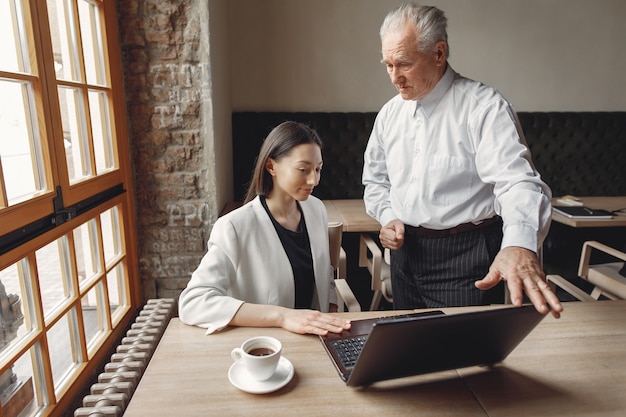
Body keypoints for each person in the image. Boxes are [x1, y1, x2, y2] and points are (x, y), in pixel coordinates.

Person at [362, 3, 563, 318]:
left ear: (439, 54)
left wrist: (520, 244)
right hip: (405, 256)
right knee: (409, 351)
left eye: (403, 63)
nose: (394, 78)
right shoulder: (390, 114)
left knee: (462, 358)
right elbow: (375, 181)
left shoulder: (484, 108)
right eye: (388, 65)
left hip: (466, 256)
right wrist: (388, 217)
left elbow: (518, 182)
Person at [179, 121, 352, 334]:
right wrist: (282, 316)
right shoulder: (234, 227)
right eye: (303, 169)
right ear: (271, 166)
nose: (313, 180)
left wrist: (331, 314)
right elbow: (193, 302)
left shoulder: (316, 209)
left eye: (318, 169)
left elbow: (324, 272)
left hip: (316, 339)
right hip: (265, 347)